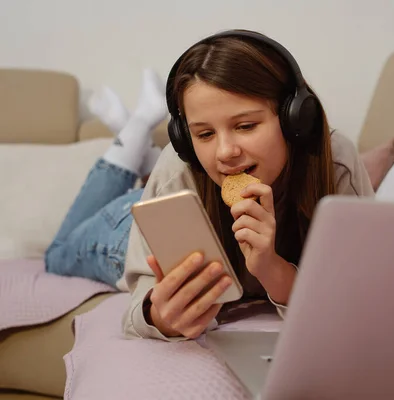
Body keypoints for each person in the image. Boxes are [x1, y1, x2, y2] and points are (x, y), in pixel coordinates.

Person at [121, 29, 375, 341]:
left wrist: (270, 266)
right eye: (204, 134)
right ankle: (126, 146)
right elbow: (140, 302)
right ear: (185, 140)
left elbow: (358, 299)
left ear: (294, 120)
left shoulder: (335, 161)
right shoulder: (177, 170)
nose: (226, 152)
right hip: (116, 229)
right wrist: (161, 317)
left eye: (245, 126)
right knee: (69, 250)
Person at [44, 69, 166, 288]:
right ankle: (135, 128)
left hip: (141, 223)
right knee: (58, 255)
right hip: (140, 227)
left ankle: (134, 130)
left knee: (57, 256)